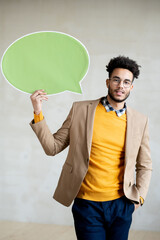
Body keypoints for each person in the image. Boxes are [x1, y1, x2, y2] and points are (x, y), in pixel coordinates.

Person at [30, 56, 152, 240]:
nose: (121, 86)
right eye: (116, 79)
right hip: (87, 205)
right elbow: (52, 147)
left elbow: (144, 164)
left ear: (131, 87)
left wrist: (139, 198)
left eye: (127, 82)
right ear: (108, 82)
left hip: (122, 205)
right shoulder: (81, 110)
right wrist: (38, 112)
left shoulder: (140, 120)